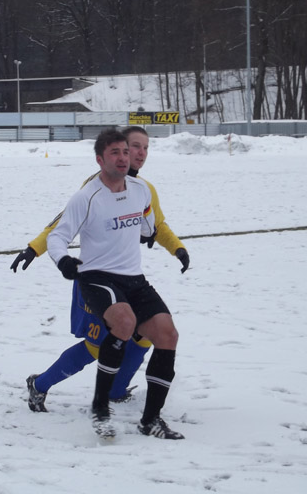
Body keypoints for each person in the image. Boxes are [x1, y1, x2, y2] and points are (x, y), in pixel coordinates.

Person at [11, 126, 189, 414]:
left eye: (145, 148)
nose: (139, 154)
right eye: (132, 147)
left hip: (129, 279)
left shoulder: (145, 189)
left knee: (144, 334)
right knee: (98, 344)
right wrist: (34, 248)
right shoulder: (93, 188)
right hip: (95, 280)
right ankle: (40, 384)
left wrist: (177, 248)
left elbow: (156, 225)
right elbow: (61, 225)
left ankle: (117, 391)